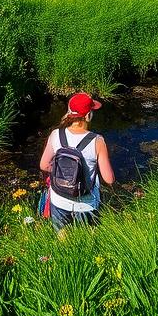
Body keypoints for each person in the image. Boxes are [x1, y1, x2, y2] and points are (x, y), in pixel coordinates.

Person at [39, 91, 115, 231]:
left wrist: (62, 171)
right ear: (87, 116)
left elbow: (44, 165)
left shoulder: (56, 134)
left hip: (59, 198)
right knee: (86, 239)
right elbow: (109, 179)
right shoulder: (97, 141)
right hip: (86, 203)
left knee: (62, 237)